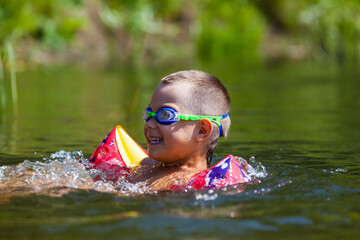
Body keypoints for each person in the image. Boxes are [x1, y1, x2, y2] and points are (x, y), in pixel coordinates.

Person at [128, 70, 231, 191]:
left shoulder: (184, 181)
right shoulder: (148, 164)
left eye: (165, 115)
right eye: (149, 113)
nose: (149, 124)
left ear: (202, 130)